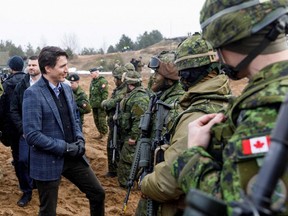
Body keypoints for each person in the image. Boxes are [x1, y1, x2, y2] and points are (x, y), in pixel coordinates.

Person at [171, 1, 288, 215]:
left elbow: (231, 205)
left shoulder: (267, 109)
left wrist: (192, 155)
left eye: (217, 48)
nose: (217, 57)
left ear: (233, 41)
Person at [140, 33, 232, 216]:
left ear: (187, 73)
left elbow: (166, 183)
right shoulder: (228, 103)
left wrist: (144, 182)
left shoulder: (197, 115)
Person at [22, 46, 105, 216]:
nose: (66, 70)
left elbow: (74, 118)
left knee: (98, 193)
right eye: (62, 66)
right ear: (48, 68)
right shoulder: (33, 94)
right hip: (48, 159)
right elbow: (32, 135)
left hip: (74, 156)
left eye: (67, 65)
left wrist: (80, 140)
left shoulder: (66, 88)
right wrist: (65, 147)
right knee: (48, 211)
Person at [135, 50, 184, 215]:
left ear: (170, 78)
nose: (153, 76)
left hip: (163, 181)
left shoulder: (176, 106)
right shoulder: (160, 98)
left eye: (158, 72)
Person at [10, 55, 41, 207]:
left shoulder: (47, 84)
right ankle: (27, 192)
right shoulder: (21, 85)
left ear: (41, 67)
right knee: (22, 161)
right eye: (29, 65)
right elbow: (13, 109)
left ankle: (41, 188)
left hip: (45, 132)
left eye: (34, 65)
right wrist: (22, 128)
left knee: (43, 161)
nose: (31, 68)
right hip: (26, 132)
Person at [0, 56, 26, 204]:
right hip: (31, 126)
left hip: (14, 128)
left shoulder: (7, 84)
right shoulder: (31, 82)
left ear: (11, 68)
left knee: (18, 158)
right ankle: (33, 183)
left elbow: (3, 110)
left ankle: (24, 187)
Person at [117, 70, 149, 187]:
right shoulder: (133, 95)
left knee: (127, 161)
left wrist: (133, 137)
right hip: (128, 132)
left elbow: (139, 120)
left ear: (130, 84)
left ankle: (126, 184)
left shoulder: (139, 98)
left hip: (133, 136)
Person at [101, 66, 128, 178]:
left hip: (119, 124)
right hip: (114, 123)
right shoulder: (119, 89)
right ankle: (114, 170)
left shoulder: (124, 90)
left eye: (115, 78)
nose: (114, 80)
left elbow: (111, 103)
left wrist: (105, 103)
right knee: (113, 145)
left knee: (114, 146)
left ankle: (115, 171)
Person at [89, 67, 108, 139]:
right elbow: (91, 93)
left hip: (100, 105)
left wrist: (103, 103)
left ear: (96, 73)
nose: (90, 75)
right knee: (96, 120)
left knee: (102, 120)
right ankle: (101, 133)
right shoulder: (92, 82)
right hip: (94, 105)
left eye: (91, 73)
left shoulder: (102, 81)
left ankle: (105, 134)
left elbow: (105, 94)